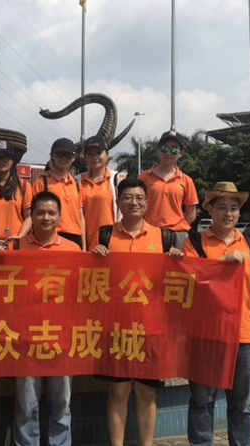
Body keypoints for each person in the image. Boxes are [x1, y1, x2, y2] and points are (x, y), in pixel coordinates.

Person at [182, 182, 250, 446]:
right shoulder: (194, 242)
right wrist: (223, 261)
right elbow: (189, 281)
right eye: (222, 207)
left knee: (242, 405)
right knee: (202, 401)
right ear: (210, 210)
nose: (228, 213)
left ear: (239, 213)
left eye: (233, 208)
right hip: (206, 335)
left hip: (244, 335)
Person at [91, 177, 183, 446]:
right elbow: (90, 278)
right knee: (118, 391)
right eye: (128, 197)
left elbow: (174, 282)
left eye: (140, 198)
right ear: (118, 202)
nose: (134, 202)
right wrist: (94, 257)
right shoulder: (105, 234)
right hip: (116, 326)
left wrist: (178, 262)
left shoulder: (163, 237)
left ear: (147, 202)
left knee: (147, 393)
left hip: (151, 326)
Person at [13, 191, 80, 446]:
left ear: (60, 217)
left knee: (62, 403)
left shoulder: (74, 250)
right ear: (31, 215)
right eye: (40, 212)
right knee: (25, 404)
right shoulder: (16, 247)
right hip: (26, 336)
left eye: (52, 213)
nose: (46, 217)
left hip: (61, 336)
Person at [139, 129, 199, 248]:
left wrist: (179, 229)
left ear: (180, 153)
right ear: (158, 150)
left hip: (178, 235)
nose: (169, 153)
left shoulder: (186, 180)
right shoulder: (144, 177)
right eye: (165, 148)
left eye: (174, 149)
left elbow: (191, 214)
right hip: (149, 232)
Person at [32, 138, 86, 249]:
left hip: (75, 237)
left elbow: (81, 216)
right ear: (52, 156)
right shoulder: (42, 182)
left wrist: (84, 244)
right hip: (51, 235)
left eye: (68, 155)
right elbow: (33, 213)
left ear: (73, 158)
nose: (64, 158)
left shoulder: (76, 184)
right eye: (60, 154)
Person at [79, 135, 125, 250]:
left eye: (99, 153)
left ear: (107, 155)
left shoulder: (118, 179)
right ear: (85, 157)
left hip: (112, 241)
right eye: (90, 154)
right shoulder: (77, 181)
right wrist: (83, 246)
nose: (95, 157)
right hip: (86, 243)